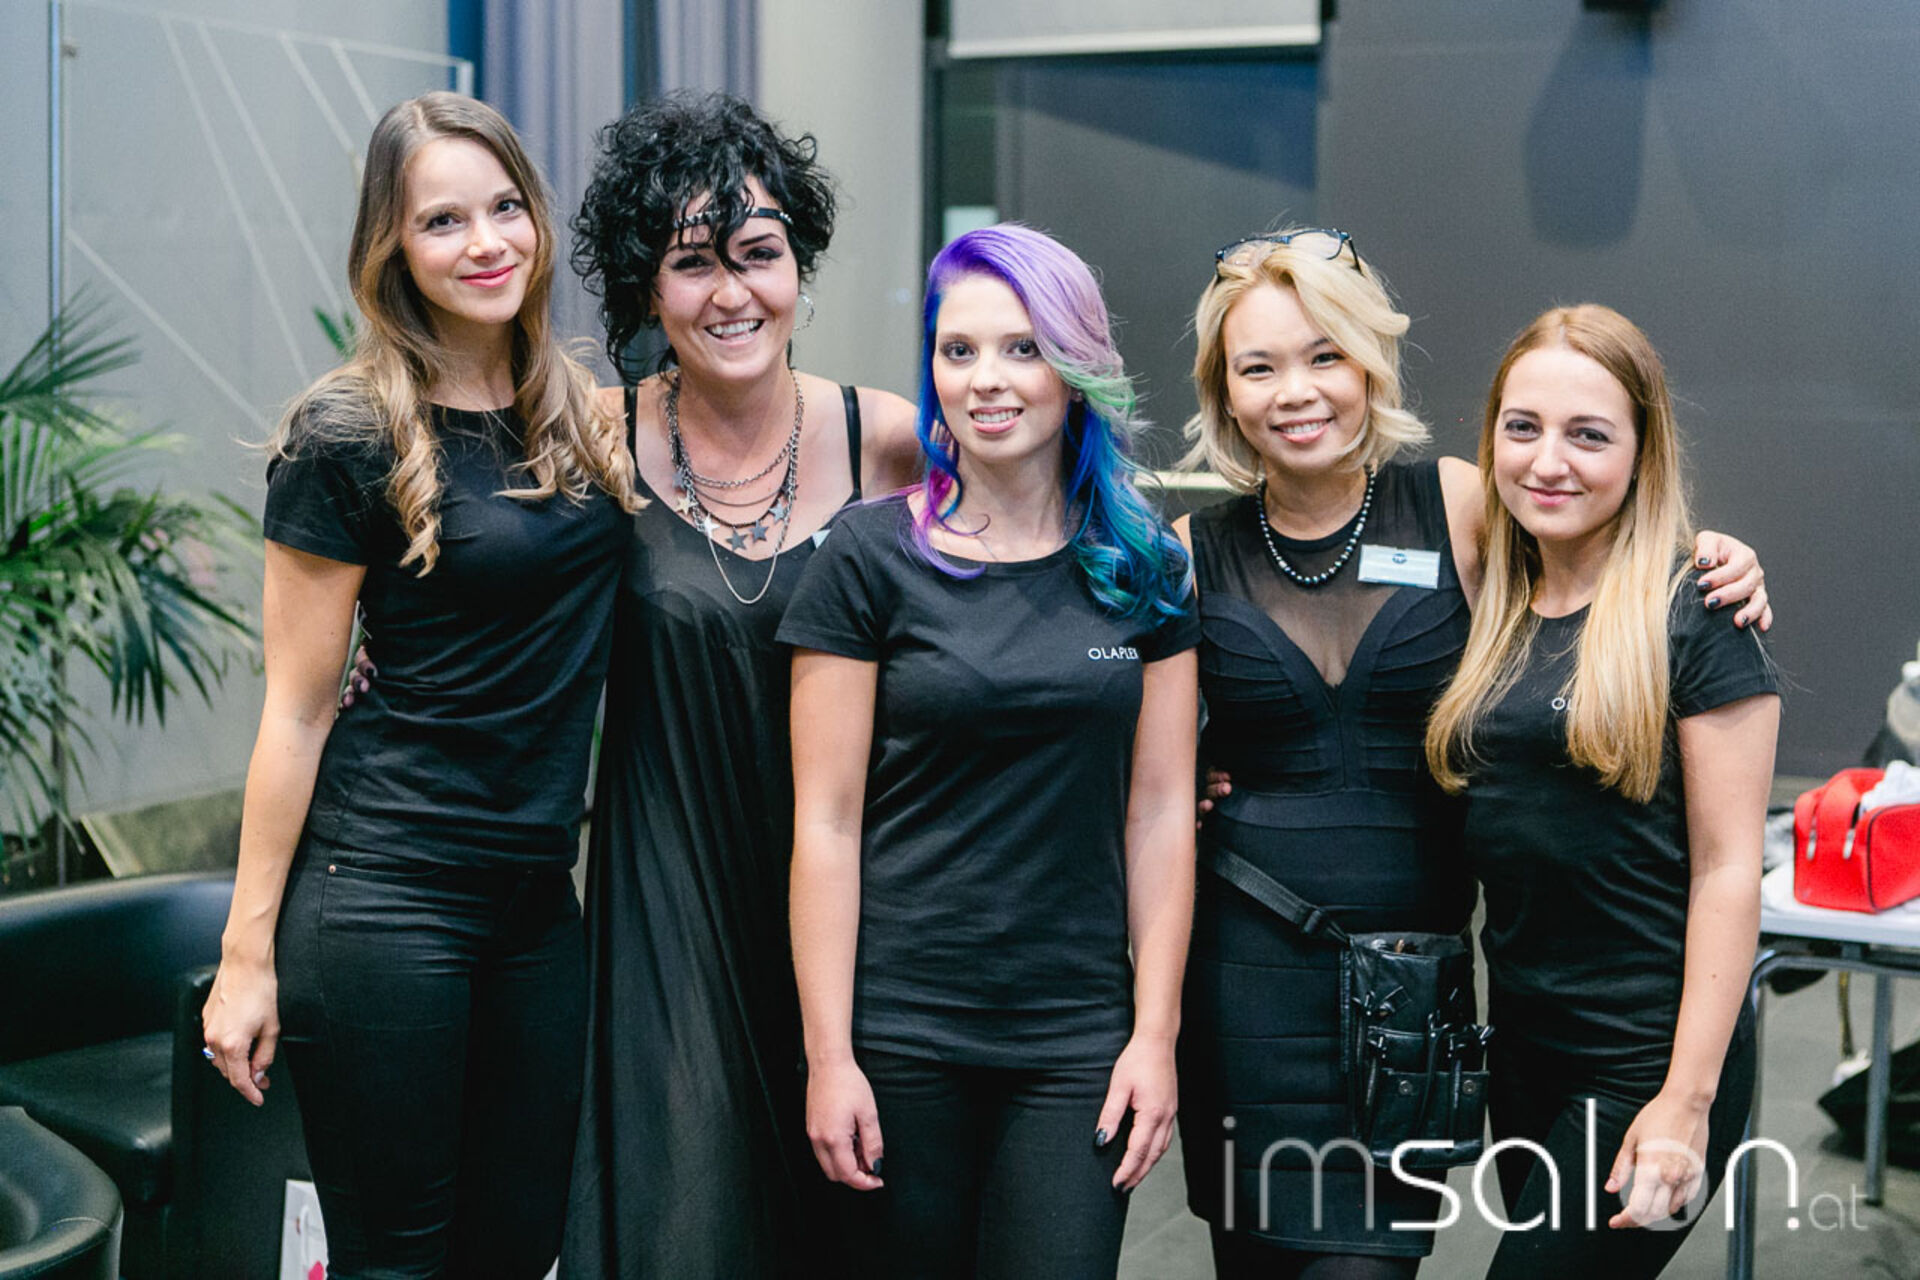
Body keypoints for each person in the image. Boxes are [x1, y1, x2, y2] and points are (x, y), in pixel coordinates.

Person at [1174, 231, 1772, 1278]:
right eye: (1258, 366)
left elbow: (1726, 857)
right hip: (1332, 1006)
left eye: (1324, 355)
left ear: (1370, 363)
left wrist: (1718, 557)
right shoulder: (1194, 551)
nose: (1296, 390)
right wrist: (1187, 776)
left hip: (1493, 1015)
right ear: (1224, 391)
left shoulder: (1458, 510)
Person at [199, 91, 636, 1277]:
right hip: (385, 891)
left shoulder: (581, 418)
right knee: (398, 1258)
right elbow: (296, 712)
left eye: (505, 207)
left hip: (536, 901)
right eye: (443, 220)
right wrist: (246, 954)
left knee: (521, 1247)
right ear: (391, 247)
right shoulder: (346, 435)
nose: (485, 242)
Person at [780, 224, 1199, 1279]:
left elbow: (1159, 813)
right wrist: (829, 1055)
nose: (987, 380)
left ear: (1076, 366)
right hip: (901, 1032)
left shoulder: (1144, 568)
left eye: (1023, 348)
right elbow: (824, 823)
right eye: (958, 350)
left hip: (1074, 1040)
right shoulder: (869, 556)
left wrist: (1154, 1035)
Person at [559, 91, 921, 1278]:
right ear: (646, 289)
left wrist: (1191, 733)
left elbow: (1049, 563)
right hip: (667, 898)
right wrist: (374, 655)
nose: (732, 293)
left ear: (798, 266)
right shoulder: (592, 440)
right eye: (692, 263)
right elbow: (469, 575)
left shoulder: (889, 441)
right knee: (687, 1224)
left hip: (859, 898)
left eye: (758, 254)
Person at [1425, 304, 1777, 1276]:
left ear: (1641, 451)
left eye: (1588, 434)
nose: (1549, 461)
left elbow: (1728, 869)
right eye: (1523, 426)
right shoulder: (1494, 603)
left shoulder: (1698, 607)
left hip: (1647, 1058)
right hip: (1526, 1046)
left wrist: (1687, 1099)